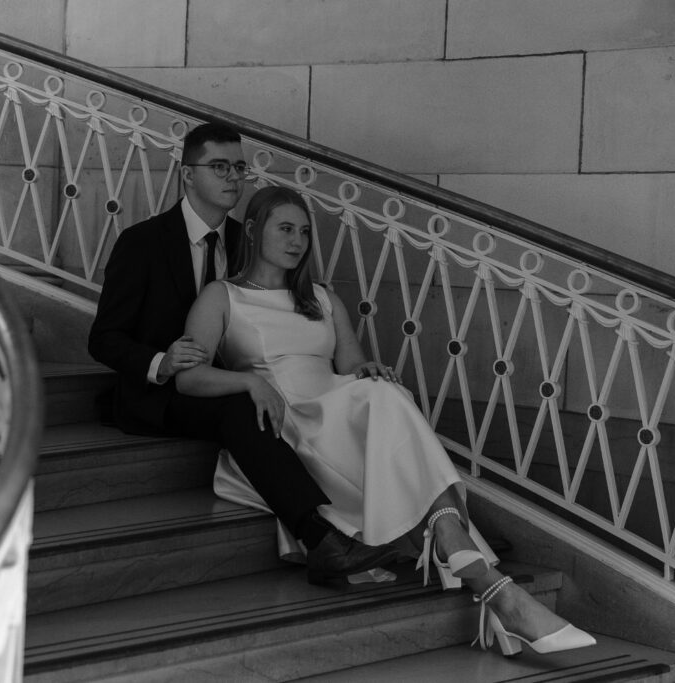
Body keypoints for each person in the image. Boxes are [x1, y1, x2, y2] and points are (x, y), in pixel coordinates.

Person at [175, 185, 597, 656]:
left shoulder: (321, 297)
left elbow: (352, 365)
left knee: (383, 389)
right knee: (381, 402)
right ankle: (478, 569)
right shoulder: (223, 296)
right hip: (288, 417)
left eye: (305, 232)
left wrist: (368, 371)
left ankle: (469, 561)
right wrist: (249, 383)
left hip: (336, 404)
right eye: (286, 229)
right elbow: (189, 378)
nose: (297, 241)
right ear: (252, 230)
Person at [88, 122, 400, 586]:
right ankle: (322, 539)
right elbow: (104, 338)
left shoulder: (248, 240)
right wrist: (161, 362)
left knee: (318, 403)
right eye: (219, 166)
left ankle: (412, 523)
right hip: (164, 393)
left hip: (236, 383)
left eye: (239, 167)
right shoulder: (142, 242)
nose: (233, 177)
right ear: (187, 174)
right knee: (241, 405)